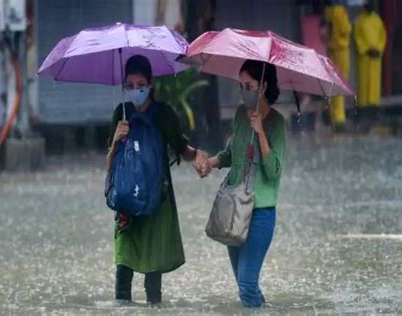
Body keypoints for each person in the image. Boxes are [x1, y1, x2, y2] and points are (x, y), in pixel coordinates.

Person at [106, 55, 206, 304]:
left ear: (150, 84)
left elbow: (181, 148)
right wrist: (116, 139)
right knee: (123, 273)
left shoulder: (165, 115)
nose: (135, 89)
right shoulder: (121, 113)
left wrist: (200, 158)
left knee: (153, 278)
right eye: (129, 84)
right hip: (126, 201)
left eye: (140, 84)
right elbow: (109, 164)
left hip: (156, 200)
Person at [194, 60, 287, 308]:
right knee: (245, 285)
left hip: (260, 212)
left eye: (249, 85)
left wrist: (261, 132)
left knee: (247, 284)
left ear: (263, 86)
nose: (244, 91)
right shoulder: (239, 114)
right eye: (241, 85)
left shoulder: (277, 123)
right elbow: (230, 154)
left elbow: (273, 172)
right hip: (234, 209)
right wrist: (209, 164)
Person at [354, 2, 386, 121]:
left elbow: (383, 36)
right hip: (365, 57)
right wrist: (366, 49)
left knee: (374, 84)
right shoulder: (359, 20)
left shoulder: (378, 20)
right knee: (364, 84)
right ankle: (363, 111)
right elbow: (357, 37)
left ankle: (374, 110)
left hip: (375, 57)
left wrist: (379, 49)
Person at [325, 0, 352, 131]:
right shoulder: (339, 11)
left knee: (332, 83)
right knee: (341, 82)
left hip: (331, 50)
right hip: (340, 50)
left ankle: (333, 114)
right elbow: (346, 28)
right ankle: (339, 117)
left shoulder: (328, 12)